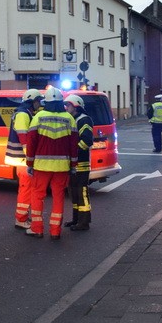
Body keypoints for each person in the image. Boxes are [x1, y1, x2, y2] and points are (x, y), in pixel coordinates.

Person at [25, 87, 77, 240]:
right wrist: (73, 166)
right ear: (61, 102)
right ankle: (55, 231)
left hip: (41, 166)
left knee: (37, 195)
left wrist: (29, 163)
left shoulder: (39, 116)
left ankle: (37, 229)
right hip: (62, 166)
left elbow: (31, 142)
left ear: (45, 102)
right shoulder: (69, 118)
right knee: (58, 197)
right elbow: (73, 145)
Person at [4, 88, 42, 229]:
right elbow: (24, 138)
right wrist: (30, 158)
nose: (39, 104)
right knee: (26, 189)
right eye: (38, 101)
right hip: (21, 158)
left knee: (27, 188)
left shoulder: (24, 113)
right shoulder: (23, 114)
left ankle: (23, 217)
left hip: (20, 158)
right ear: (31, 101)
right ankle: (21, 219)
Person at [64, 95, 94, 231]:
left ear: (76, 106)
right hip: (73, 164)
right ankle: (76, 220)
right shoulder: (73, 119)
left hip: (81, 164)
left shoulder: (84, 120)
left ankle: (84, 222)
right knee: (74, 193)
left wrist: (74, 151)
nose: (66, 108)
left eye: (68, 105)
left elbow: (87, 141)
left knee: (81, 193)